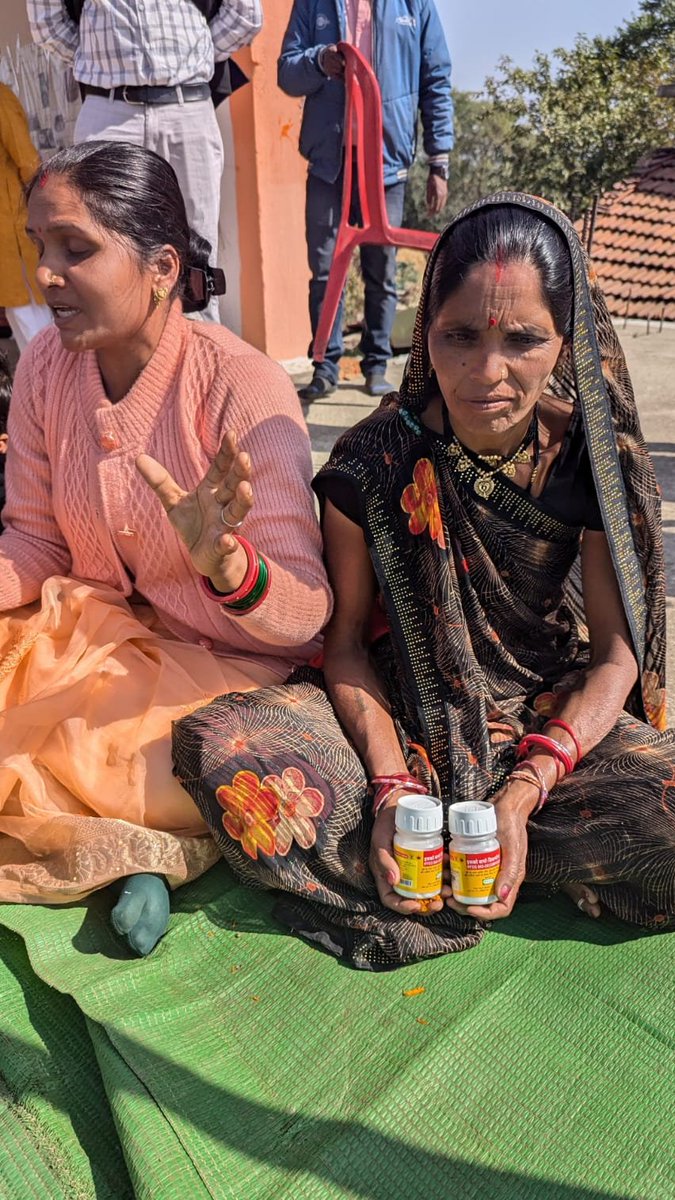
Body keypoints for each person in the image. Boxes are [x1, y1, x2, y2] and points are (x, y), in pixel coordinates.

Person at [173, 192, 675, 971]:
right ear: (422, 336)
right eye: (459, 336)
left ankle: (477, 848)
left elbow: (614, 656)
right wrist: (389, 786)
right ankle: (488, 854)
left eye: (523, 340)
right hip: (396, 711)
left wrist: (523, 790)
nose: (486, 372)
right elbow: (343, 646)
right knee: (225, 750)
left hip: (539, 714)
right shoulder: (371, 463)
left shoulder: (588, 460)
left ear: (565, 340)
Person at [0, 140, 331, 957]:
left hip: (226, 669)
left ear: (161, 268)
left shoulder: (239, 384)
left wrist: (229, 568)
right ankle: (144, 849)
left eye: (76, 249)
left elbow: (303, 616)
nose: (46, 273)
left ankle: (149, 848)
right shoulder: (45, 366)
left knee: (178, 757)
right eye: (41, 246)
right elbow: (35, 541)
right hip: (88, 640)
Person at [26, 0, 263, 321]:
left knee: (195, 250)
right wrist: (103, 62)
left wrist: (191, 56)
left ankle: (199, 363)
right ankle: (120, 362)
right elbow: (47, 24)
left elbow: (244, 15)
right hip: (109, 110)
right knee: (104, 242)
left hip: (186, 106)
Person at [278, 0, 453, 401]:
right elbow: (287, 73)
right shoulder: (313, 4)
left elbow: (436, 79)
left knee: (381, 270)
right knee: (324, 269)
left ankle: (377, 364)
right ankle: (325, 367)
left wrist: (438, 161)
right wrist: (320, 60)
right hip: (329, 164)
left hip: (386, 165)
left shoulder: (415, 6)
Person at [0, 84, 52, 353]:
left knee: (23, 315)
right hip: (11, 236)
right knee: (30, 316)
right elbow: (28, 163)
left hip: (12, 235)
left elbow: (27, 164)